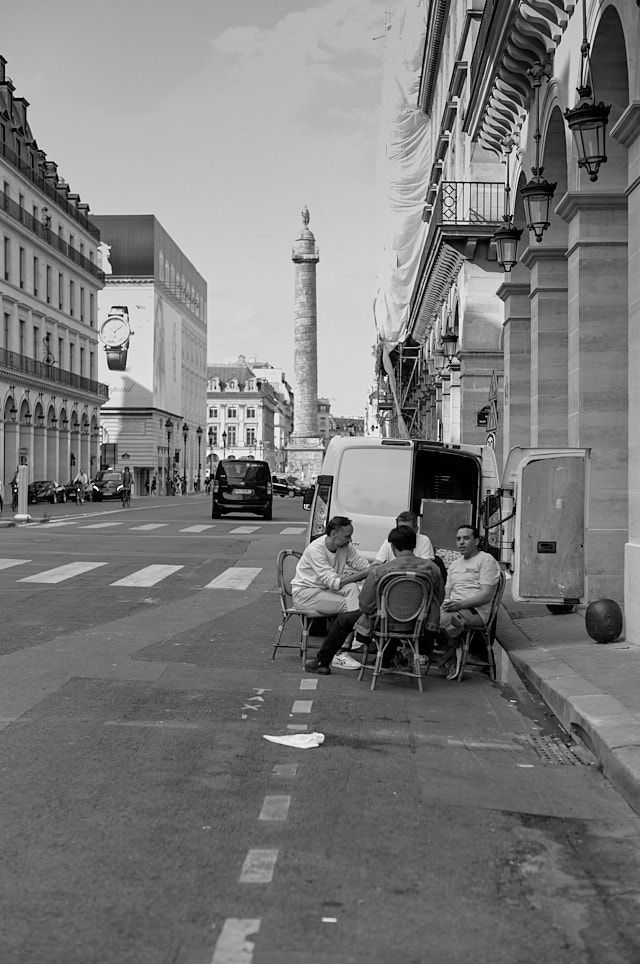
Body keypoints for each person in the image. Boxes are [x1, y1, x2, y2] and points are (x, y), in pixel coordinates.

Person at [304, 526, 444, 675]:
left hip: (385, 623)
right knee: (393, 619)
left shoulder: (380, 571)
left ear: (392, 547)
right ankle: (385, 661)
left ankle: (322, 662)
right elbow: (439, 597)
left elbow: (364, 604)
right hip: (418, 624)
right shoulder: (433, 569)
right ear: (414, 545)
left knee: (344, 619)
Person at [292, 516, 372, 670]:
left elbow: (362, 565)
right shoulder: (315, 550)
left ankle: (352, 639)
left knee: (351, 588)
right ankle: (340, 652)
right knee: (347, 608)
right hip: (305, 593)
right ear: (334, 533)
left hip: (324, 590)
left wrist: (377, 568)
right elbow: (332, 582)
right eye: (347, 536)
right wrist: (365, 573)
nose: (350, 540)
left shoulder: (344, 547)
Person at [437, 524, 501, 679]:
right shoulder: (454, 564)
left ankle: (452, 655)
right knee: (427, 616)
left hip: (475, 610)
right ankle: (453, 651)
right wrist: (445, 603)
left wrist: (459, 605)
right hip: (454, 607)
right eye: (458, 539)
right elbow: (448, 590)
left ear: (477, 541)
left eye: (466, 538)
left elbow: (486, 595)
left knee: (442, 619)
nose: (461, 542)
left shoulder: (486, 560)